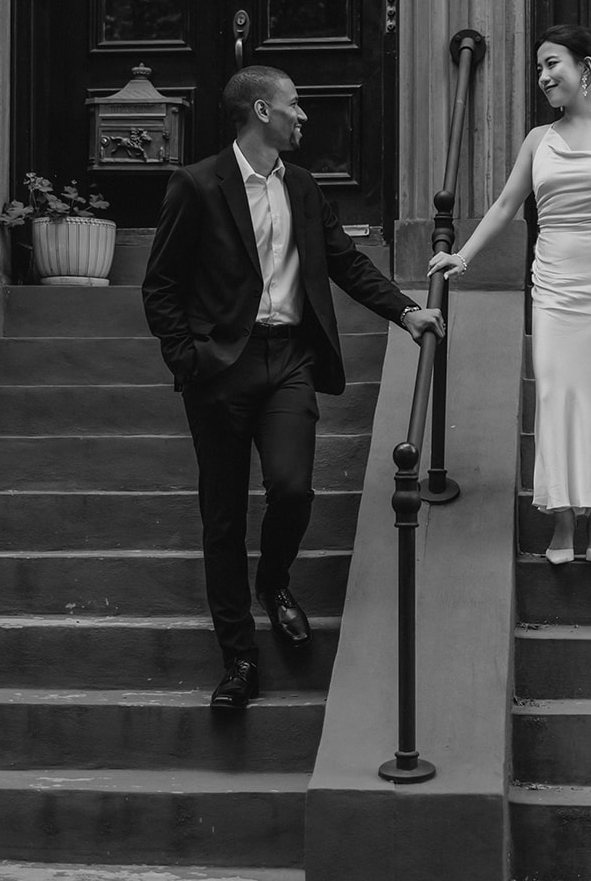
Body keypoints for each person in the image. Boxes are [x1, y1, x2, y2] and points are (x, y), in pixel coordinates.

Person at [143, 65, 444, 709]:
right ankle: (239, 658)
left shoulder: (302, 188)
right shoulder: (195, 186)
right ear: (260, 111)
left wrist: (407, 311)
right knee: (222, 515)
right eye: (293, 105)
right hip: (222, 368)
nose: (302, 115)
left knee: (292, 487)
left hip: (289, 363)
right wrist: (188, 358)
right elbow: (160, 286)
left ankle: (274, 581)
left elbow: (344, 261)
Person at [429, 25, 591, 565]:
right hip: (555, 288)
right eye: (538, 68)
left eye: (552, 63)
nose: (543, 76)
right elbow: (507, 205)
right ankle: (560, 520)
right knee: (555, 401)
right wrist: (462, 255)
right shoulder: (539, 140)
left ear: (586, 69)